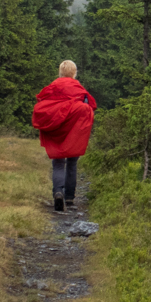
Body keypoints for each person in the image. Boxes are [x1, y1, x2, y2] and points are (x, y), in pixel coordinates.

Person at [31, 60, 97, 213]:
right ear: (74, 73)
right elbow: (89, 107)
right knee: (72, 163)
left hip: (57, 131)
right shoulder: (79, 89)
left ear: (60, 72)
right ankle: (69, 198)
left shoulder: (52, 87)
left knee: (58, 163)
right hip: (74, 133)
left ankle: (58, 192)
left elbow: (44, 104)